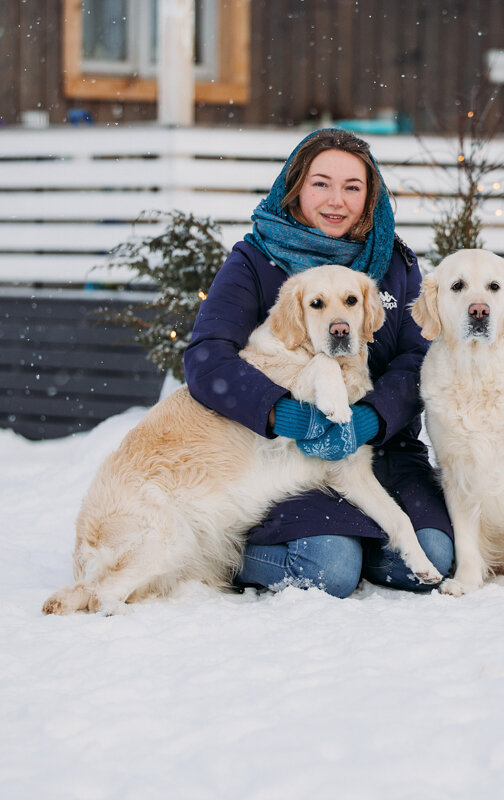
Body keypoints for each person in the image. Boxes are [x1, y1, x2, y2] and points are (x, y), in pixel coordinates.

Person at [183, 128, 453, 598]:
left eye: (353, 187)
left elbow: (417, 361)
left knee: (435, 556)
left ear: (371, 196)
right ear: (296, 187)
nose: (336, 200)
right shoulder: (256, 259)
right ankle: (221, 552)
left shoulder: (396, 263)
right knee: (328, 569)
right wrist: (281, 414)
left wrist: (370, 420)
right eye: (320, 183)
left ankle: (354, 538)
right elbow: (207, 360)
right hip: (286, 457)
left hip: (382, 453)